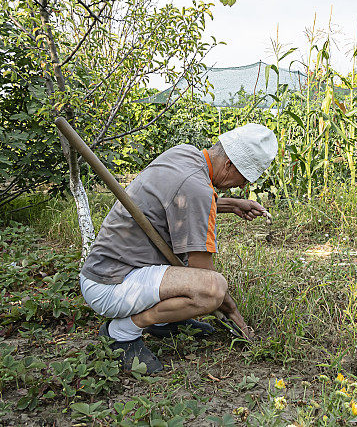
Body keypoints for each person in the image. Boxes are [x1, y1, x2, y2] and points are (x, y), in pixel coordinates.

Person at [79, 123, 277, 373]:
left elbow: (179, 196)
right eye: (242, 178)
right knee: (212, 289)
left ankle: (166, 323)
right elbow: (202, 275)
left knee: (191, 269)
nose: (238, 186)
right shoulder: (197, 190)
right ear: (229, 165)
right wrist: (233, 313)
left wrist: (228, 204)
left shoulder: (185, 154)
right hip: (112, 286)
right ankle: (122, 331)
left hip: (104, 270)